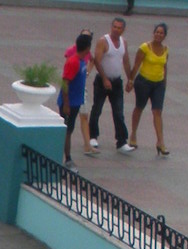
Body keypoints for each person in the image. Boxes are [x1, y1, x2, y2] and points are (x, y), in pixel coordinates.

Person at [89, 18, 135, 153]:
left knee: (119, 111)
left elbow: (126, 61)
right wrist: (104, 79)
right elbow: (97, 61)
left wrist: (130, 79)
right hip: (102, 81)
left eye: (119, 27)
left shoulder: (123, 42)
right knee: (97, 108)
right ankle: (93, 136)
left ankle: (121, 141)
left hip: (116, 81)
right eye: (114, 26)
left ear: (123, 29)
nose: (116, 29)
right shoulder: (103, 41)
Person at [126, 23, 169, 156]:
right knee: (139, 107)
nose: (158, 35)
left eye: (161, 33)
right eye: (157, 32)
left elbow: (165, 67)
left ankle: (160, 142)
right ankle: (133, 135)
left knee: (157, 111)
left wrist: (164, 83)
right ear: (153, 33)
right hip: (144, 82)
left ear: (165, 36)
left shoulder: (166, 50)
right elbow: (137, 64)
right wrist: (131, 80)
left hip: (159, 83)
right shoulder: (145, 47)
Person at [58, 31, 93, 170]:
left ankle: (66, 157)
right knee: (66, 130)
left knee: (69, 129)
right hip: (70, 103)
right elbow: (65, 83)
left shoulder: (82, 61)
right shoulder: (73, 62)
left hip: (76, 102)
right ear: (87, 48)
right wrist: (66, 104)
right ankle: (67, 159)